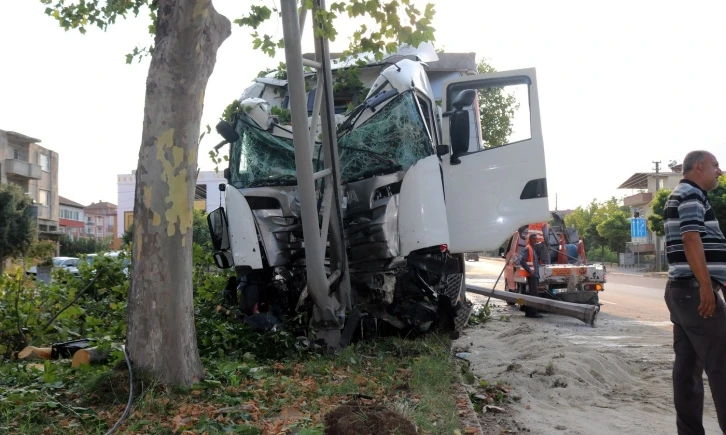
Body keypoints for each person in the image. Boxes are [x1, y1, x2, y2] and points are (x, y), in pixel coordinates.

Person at [663, 150, 726, 434]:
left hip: (681, 292)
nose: (720, 171)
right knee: (722, 367)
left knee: (687, 370)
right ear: (698, 167)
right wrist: (705, 286)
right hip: (693, 291)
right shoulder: (691, 193)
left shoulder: (683, 193)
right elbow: (690, 237)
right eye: (715, 165)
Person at [519, 232, 543, 318]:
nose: (535, 241)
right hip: (532, 276)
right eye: (533, 239)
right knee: (533, 295)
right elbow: (522, 261)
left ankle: (529, 312)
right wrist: (530, 271)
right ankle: (533, 313)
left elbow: (535, 263)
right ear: (530, 240)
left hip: (534, 275)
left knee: (532, 294)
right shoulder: (528, 248)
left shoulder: (533, 249)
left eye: (536, 239)